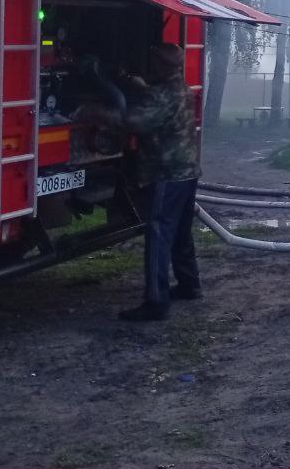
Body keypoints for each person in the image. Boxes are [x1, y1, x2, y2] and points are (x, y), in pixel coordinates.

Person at [79, 44, 202, 321]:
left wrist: (92, 112)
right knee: (181, 233)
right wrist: (133, 83)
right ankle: (189, 284)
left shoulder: (161, 96)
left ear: (162, 67)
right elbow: (154, 98)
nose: (149, 67)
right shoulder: (179, 88)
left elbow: (133, 122)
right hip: (187, 171)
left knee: (158, 234)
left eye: (154, 63)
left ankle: (156, 303)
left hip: (168, 174)